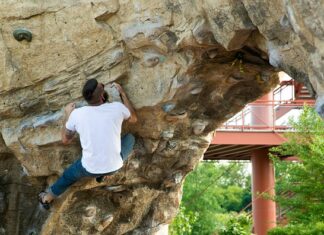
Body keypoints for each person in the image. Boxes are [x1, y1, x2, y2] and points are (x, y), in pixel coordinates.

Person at [38, 79, 137, 209]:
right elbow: (134, 119)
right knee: (130, 138)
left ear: (87, 98)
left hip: (89, 168)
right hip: (114, 166)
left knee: (68, 176)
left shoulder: (78, 114)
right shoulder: (117, 108)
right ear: (102, 96)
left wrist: (67, 114)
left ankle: (47, 198)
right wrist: (123, 93)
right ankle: (103, 174)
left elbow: (65, 139)